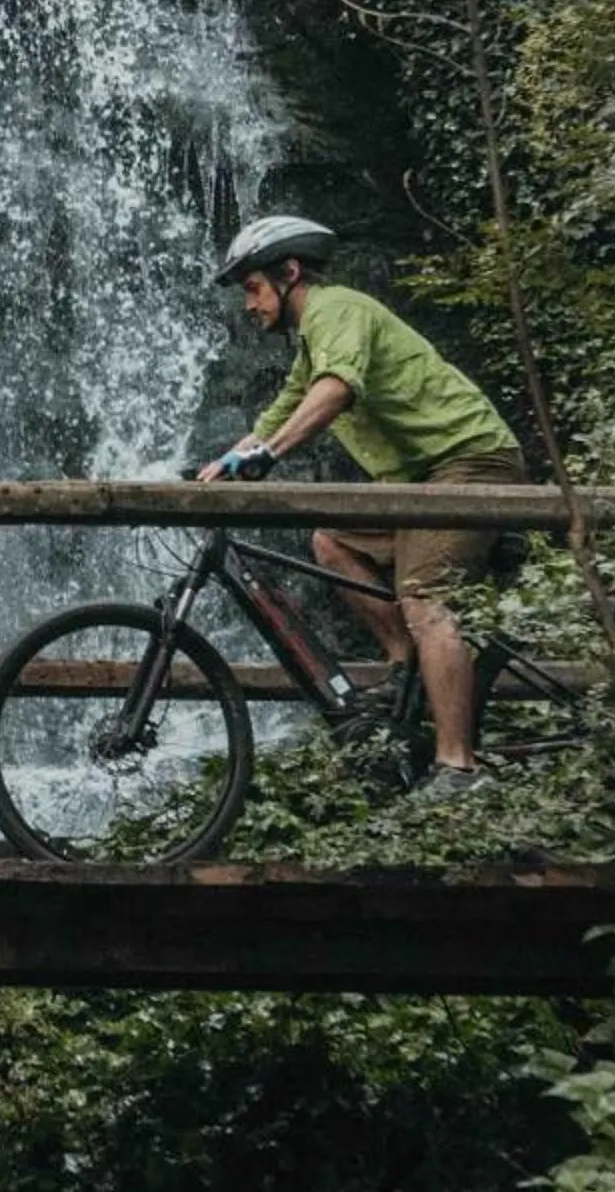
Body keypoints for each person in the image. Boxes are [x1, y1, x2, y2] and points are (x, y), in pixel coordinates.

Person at [193, 215, 525, 794]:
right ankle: (405, 666)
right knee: (332, 538)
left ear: (289, 272)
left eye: (252, 287)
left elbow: (335, 390)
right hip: (422, 480)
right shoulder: (311, 341)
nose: (248, 305)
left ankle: (459, 767)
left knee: (426, 599)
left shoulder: (335, 310)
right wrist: (220, 467)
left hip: (469, 461)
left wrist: (267, 457)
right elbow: (273, 419)